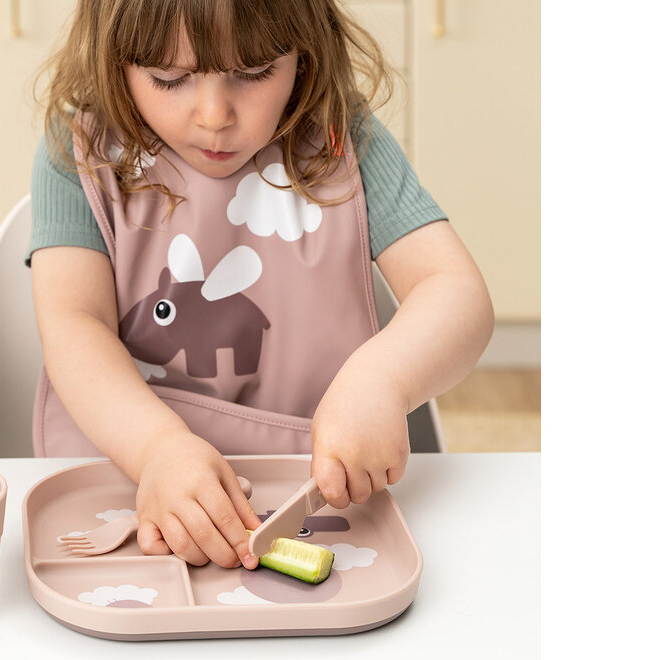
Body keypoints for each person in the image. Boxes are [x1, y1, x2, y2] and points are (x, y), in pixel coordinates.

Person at [28, 0, 494, 572]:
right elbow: (76, 325)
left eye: (252, 73)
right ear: (114, 60)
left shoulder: (342, 139)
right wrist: (156, 450)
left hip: (314, 503)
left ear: (305, 48)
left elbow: (454, 289)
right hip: (129, 494)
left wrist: (383, 381)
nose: (214, 114)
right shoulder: (80, 154)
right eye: (168, 79)